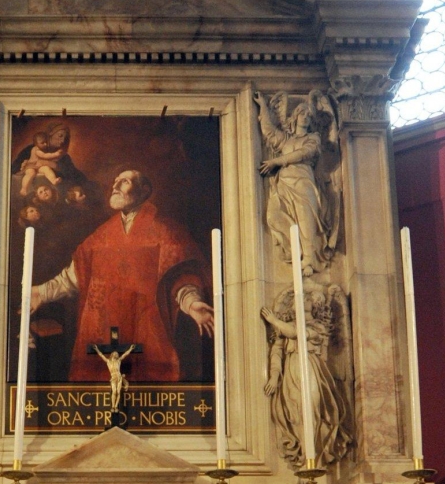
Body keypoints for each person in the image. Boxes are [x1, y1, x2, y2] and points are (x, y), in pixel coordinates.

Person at [30, 169, 214, 381]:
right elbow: (74, 276)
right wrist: (41, 292)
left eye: (124, 181)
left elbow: (178, 276)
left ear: (144, 191)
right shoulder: (102, 235)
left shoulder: (166, 231)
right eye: (115, 180)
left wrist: (192, 303)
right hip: (101, 332)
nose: (115, 186)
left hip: (147, 331)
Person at [260, 289, 351, 469]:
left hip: (309, 367)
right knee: (297, 410)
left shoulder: (317, 327)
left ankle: (315, 456)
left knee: (313, 406)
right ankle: (305, 455)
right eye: (298, 306)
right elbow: (276, 353)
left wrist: (273, 320)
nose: (302, 309)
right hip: (292, 370)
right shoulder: (283, 327)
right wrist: (274, 376)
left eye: (307, 307)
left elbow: (296, 333)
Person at [254, 91, 336, 276]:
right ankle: (295, 249)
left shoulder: (312, 139)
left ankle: (309, 258)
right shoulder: (287, 140)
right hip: (284, 184)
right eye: (302, 113)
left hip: (303, 182)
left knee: (306, 219)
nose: (305, 117)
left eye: (309, 115)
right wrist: (263, 107)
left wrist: (276, 162)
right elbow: (269, 131)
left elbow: (303, 154)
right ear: (295, 116)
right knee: (274, 216)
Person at [94, 344, 136, 412]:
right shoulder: (108, 361)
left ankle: (116, 406)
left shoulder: (118, 361)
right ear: (112, 354)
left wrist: (130, 349)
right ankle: (113, 406)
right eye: (115, 354)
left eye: (117, 354)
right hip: (113, 377)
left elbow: (125, 355)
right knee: (114, 392)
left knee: (118, 392)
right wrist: (96, 349)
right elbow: (101, 355)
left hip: (119, 377)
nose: (117, 355)